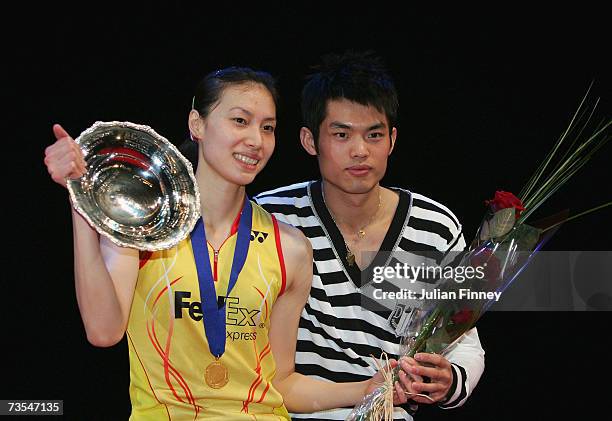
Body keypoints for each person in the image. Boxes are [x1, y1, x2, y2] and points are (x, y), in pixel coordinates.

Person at [43, 66, 417, 420]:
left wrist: (370, 387)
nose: (255, 140)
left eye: (267, 127)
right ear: (197, 124)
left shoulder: (290, 248)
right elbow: (104, 331)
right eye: (240, 121)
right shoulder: (147, 226)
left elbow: (282, 384)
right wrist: (81, 201)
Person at [254, 52, 486, 420]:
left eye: (374, 134)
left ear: (392, 140)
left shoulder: (436, 226)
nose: (360, 151)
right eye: (341, 134)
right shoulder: (270, 217)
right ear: (309, 140)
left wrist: (449, 380)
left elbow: (465, 341)